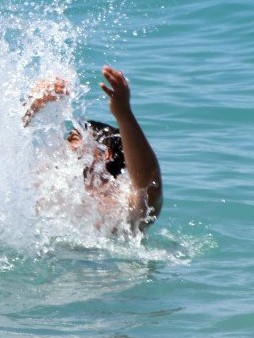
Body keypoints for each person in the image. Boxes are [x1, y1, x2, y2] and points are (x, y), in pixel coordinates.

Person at [23, 67, 162, 232]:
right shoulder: (49, 187)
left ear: (106, 154)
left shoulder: (120, 204)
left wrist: (123, 113)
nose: (66, 147)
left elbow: (149, 187)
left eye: (74, 139)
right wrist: (32, 105)